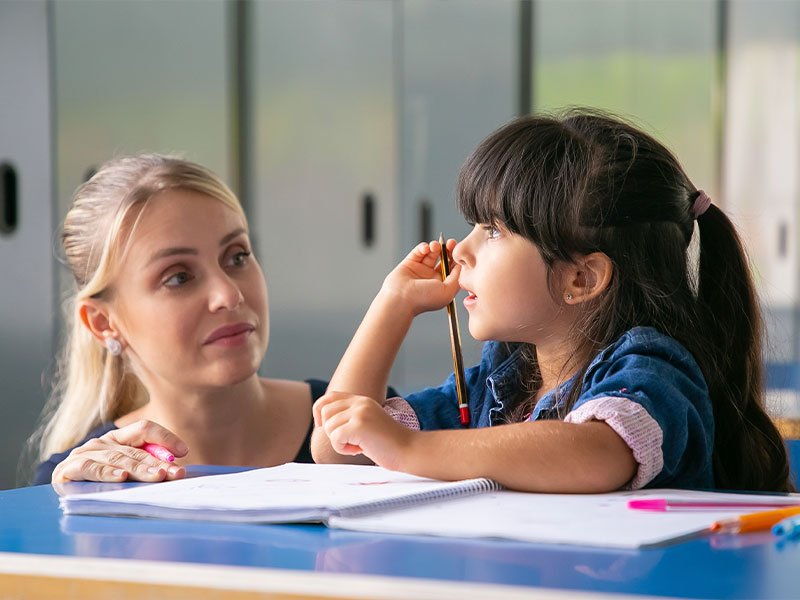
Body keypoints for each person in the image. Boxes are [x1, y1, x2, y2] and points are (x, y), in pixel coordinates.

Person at [312, 108, 793, 493]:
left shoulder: (651, 366)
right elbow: (336, 449)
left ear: (580, 279)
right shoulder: (501, 382)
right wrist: (392, 304)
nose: (459, 251)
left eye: (494, 231)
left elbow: (597, 453)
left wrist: (409, 449)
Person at [30, 154, 387, 485]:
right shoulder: (76, 482)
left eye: (237, 257)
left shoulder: (375, 421)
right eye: (178, 277)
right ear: (102, 323)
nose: (229, 295)